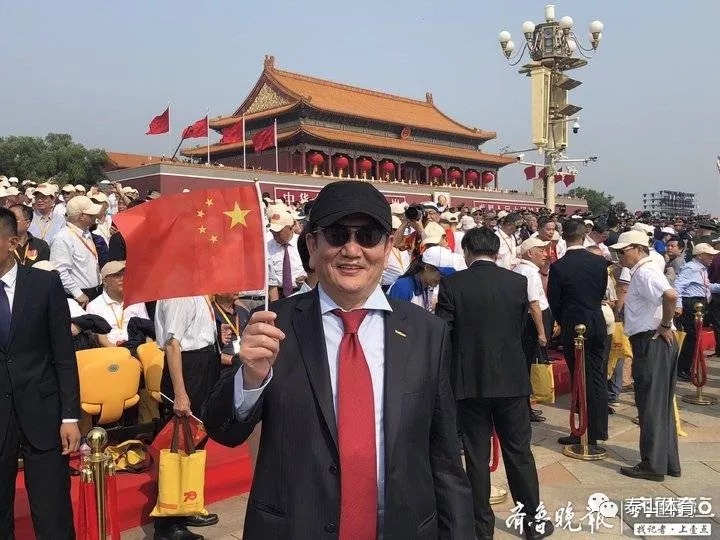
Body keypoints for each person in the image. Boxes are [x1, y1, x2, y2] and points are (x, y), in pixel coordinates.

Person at [203, 181, 474, 539]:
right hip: (296, 528)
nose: (352, 250)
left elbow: (445, 460)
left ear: (387, 247)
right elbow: (223, 430)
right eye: (336, 235)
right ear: (313, 245)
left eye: (368, 236)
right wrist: (250, 379)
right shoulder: (273, 326)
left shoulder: (426, 332)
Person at [436, 228, 552, 540]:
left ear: (467, 252)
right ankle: (532, 521)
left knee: (476, 456)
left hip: (470, 381)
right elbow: (520, 327)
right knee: (519, 452)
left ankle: (481, 527)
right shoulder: (516, 282)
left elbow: (443, 332)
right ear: (497, 251)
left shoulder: (453, 284)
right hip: (511, 379)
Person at [0, 208, 80, 539]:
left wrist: (70, 416)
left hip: (43, 413)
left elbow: (63, 355)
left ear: (12, 242)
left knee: (52, 511)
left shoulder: (44, 284)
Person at [609, 230, 681, 481]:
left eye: (623, 251)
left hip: (652, 341)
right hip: (654, 340)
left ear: (639, 249)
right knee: (659, 405)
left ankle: (653, 464)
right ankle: (666, 461)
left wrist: (665, 324)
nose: (620, 256)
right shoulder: (645, 270)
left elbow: (671, 295)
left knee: (650, 405)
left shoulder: (645, 272)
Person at [154, 295, 222, 539]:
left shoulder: (198, 292)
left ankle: (187, 506)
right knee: (178, 448)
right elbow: (172, 344)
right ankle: (168, 524)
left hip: (204, 365)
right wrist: (180, 393)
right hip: (188, 370)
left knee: (196, 443)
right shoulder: (179, 294)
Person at [548, 219, 609, 446]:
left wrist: (563, 320)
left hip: (573, 323)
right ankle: (596, 429)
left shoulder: (559, 266)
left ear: (564, 237)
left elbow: (555, 301)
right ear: (585, 236)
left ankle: (583, 429)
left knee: (580, 377)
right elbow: (600, 291)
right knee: (597, 375)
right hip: (596, 319)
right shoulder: (599, 262)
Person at [514, 236, 552, 423]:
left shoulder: (523, 270)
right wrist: (541, 332)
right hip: (531, 324)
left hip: (528, 323)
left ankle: (525, 407)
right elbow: (534, 304)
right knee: (527, 366)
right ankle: (524, 409)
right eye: (541, 250)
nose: (546, 254)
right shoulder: (529, 272)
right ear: (530, 253)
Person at [674, 243, 719, 381]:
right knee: (691, 337)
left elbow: (706, 286)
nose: (712, 258)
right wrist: (678, 305)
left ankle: (687, 367)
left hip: (698, 302)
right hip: (691, 303)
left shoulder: (701, 269)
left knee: (694, 337)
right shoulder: (691, 268)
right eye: (709, 255)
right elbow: (678, 286)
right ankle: (682, 368)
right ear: (700, 255)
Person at [50, 195, 103, 307]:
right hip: (80, 297)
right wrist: (77, 293)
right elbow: (60, 270)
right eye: (91, 214)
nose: (95, 216)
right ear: (81, 216)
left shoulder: (86, 233)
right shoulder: (63, 237)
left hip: (95, 292)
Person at [86, 260, 149, 348]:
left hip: (138, 347)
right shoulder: (94, 306)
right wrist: (121, 353)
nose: (122, 278)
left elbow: (147, 330)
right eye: (117, 275)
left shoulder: (136, 301)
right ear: (105, 281)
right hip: (111, 351)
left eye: (124, 274)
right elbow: (100, 339)